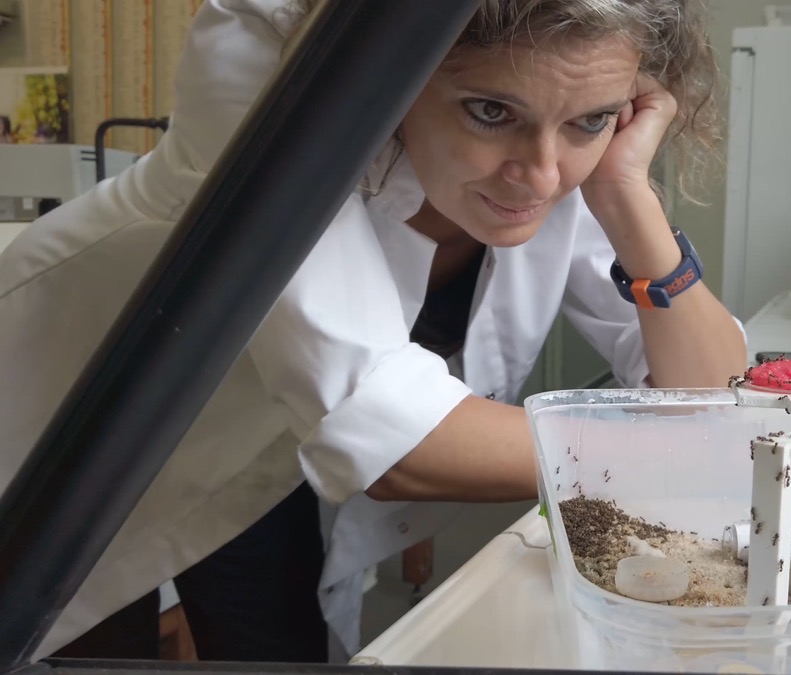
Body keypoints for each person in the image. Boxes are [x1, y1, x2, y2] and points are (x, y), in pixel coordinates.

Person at [0, 0, 746, 663]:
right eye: (489, 111)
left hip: (257, 442)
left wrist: (624, 192)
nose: (543, 176)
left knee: (278, 645)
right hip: (61, 420)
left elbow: (717, 390)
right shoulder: (284, 56)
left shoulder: (559, 146)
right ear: (402, 78)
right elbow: (403, 445)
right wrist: (677, 447)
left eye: (590, 120)